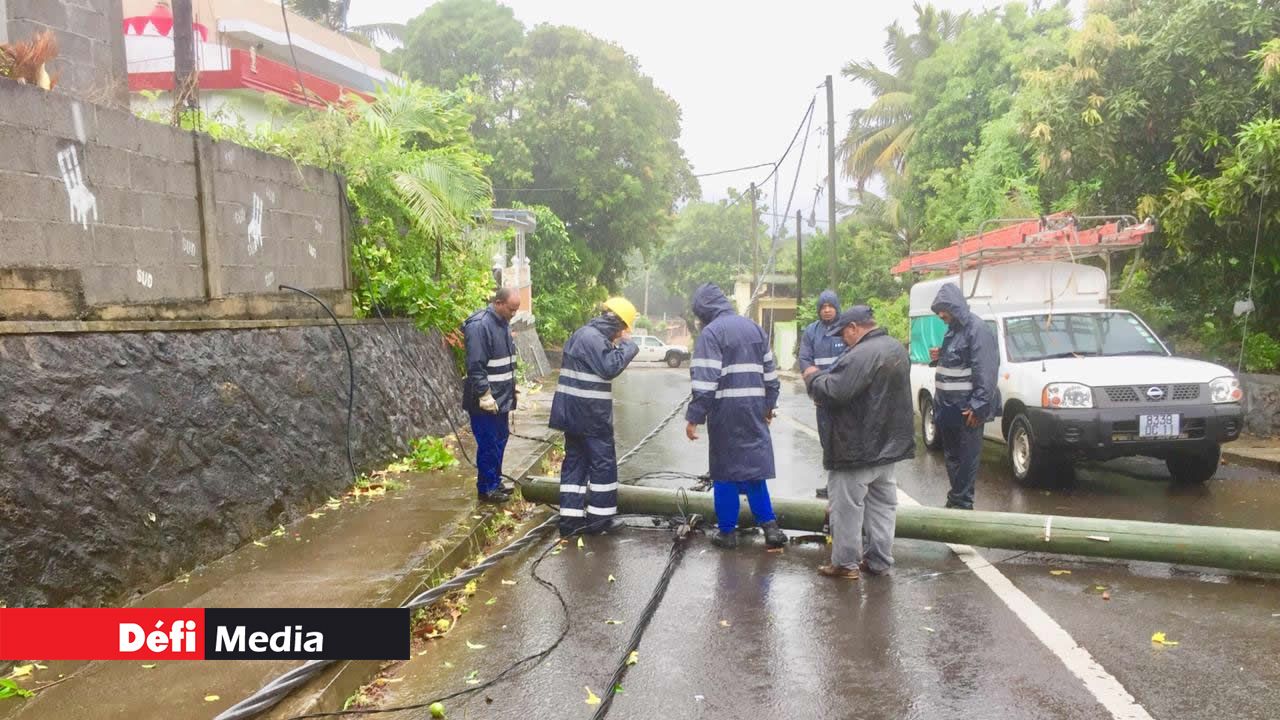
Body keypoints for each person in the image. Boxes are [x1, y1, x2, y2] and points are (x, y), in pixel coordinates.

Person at [804, 305, 915, 578]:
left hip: (855, 448)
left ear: (855, 327)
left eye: (844, 334)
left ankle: (845, 563)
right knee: (882, 507)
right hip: (888, 448)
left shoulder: (861, 354)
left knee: (847, 509)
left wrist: (813, 377)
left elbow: (834, 390)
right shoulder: (895, 348)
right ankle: (879, 560)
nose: (843, 340)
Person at [684, 283, 786, 549]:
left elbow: (704, 383)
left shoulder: (711, 334)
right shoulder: (754, 328)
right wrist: (768, 405)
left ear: (704, 311)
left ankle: (727, 532)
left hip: (725, 412)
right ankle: (771, 528)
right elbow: (771, 376)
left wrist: (694, 417)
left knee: (725, 472)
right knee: (754, 470)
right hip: (753, 409)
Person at [549, 298, 641, 537]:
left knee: (575, 465)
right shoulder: (594, 339)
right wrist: (628, 346)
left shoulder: (582, 334)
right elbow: (610, 367)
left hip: (572, 415)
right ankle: (600, 521)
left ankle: (570, 522)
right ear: (617, 324)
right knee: (602, 465)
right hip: (590, 416)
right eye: (623, 330)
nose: (622, 334)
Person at [929, 283, 1001, 510]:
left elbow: (986, 370)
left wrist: (978, 405)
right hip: (948, 408)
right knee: (952, 458)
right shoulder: (953, 329)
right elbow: (958, 363)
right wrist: (939, 357)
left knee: (966, 459)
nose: (941, 315)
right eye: (938, 310)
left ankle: (961, 504)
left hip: (966, 410)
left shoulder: (976, 329)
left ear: (954, 306)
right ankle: (956, 500)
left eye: (944, 309)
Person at [462, 287, 522, 503]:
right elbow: (476, 365)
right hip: (484, 400)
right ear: (498, 303)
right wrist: (484, 395)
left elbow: (504, 361)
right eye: (511, 309)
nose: (513, 313)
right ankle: (486, 488)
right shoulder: (479, 326)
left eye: (516, 310)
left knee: (500, 440)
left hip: (502, 397)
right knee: (488, 443)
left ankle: (495, 481)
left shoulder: (502, 323)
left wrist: (511, 386)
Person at [797, 290, 847, 499]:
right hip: (821, 398)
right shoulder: (811, 332)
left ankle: (846, 486)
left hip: (843, 397)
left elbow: (850, 362)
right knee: (827, 442)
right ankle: (833, 484)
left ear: (837, 307)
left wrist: (835, 383)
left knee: (845, 441)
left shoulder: (846, 329)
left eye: (830, 306)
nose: (827, 310)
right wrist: (818, 386)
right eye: (823, 307)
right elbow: (805, 360)